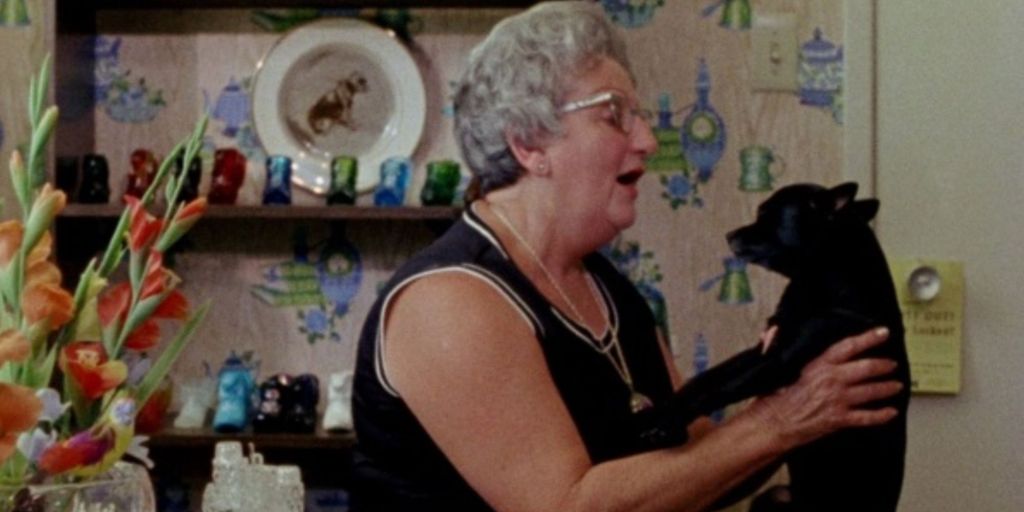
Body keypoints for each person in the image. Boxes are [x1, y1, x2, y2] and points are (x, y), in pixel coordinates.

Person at [349, 2, 903, 511]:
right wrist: (782, 419)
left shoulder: (604, 287)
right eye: (614, 114)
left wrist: (800, 389)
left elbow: (697, 465)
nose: (648, 140)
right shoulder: (449, 300)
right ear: (529, 144)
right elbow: (566, 507)